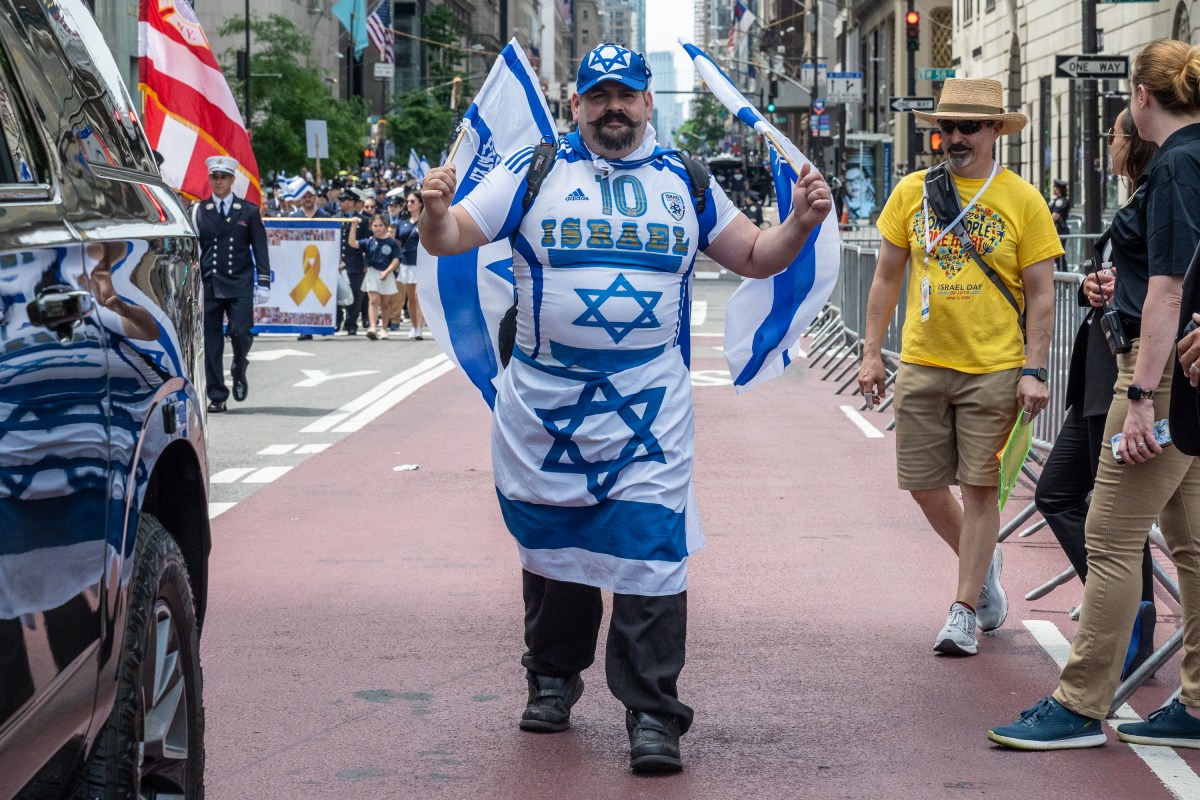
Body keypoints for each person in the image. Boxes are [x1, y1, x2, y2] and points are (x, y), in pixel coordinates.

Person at [419, 42, 831, 772]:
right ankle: (550, 680)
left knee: (650, 549)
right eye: (598, 95)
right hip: (546, 406)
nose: (613, 107)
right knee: (557, 544)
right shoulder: (531, 169)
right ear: (576, 104)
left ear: (648, 103)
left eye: (627, 95)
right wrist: (432, 213)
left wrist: (798, 223)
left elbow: (755, 254)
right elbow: (454, 236)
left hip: (649, 406)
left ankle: (653, 715)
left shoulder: (686, 179)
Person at [990, 38, 1200, 751]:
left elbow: (1170, 287)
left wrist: (1140, 392)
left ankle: (1080, 705)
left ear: (1142, 96)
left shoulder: (1175, 164)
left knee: (1110, 536)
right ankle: (1197, 703)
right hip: (1179, 363)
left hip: (1160, 371)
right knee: (1193, 544)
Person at [856, 78, 1061, 657]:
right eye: (948, 128)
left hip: (994, 367)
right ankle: (983, 560)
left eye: (970, 127)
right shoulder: (912, 193)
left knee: (979, 488)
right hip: (922, 360)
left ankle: (965, 607)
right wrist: (873, 352)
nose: (956, 138)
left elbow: (1043, 295)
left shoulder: (1023, 199)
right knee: (922, 485)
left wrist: (1034, 369)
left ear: (996, 131)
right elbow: (887, 275)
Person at [1032, 110, 1160, 684]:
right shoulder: (1137, 197)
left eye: (1113, 134)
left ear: (1133, 140)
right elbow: (1125, 282)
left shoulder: (1166, 190)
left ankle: (1131, 623)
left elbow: (1166, 290)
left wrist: (1141, 393)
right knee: (1060, 495)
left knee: (1109, 515)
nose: (1107, 144)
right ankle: (1128, 611)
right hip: (1100, 370)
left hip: (1126, 378)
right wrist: (1091, 286)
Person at [193, 155, 270, 413]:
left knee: (240, 332)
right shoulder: (198, 211)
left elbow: (260, 247)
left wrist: (264, 281)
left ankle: (239, 366)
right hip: (211, 283)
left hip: (240, 283)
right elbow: (194, 250)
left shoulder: (247, 211)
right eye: (214, 176)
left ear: (232, 180)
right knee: (212, 342)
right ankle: (216, 394)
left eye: (223, 177)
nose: (218, 181)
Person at [348, 213, 400, 340]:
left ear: (385, 226)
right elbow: (352, 243)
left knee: (385, 303)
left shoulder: (391, 242)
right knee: (373, 300)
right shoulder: (369, 241)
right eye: (375, 225)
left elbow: (396, 259)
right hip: (372, 272)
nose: (377, 228)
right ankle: (372, 327)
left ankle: (384, 328)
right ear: (371, 227)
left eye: (380, 225)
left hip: (386, 273)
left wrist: (387, 272)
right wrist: (353, 226)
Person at [336, 190, 368, 335]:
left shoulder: (364, 220)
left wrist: (367, 263)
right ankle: (337, 321)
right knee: (335, 294)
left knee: (356, 295)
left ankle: (351, 323)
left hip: (355, 263)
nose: (340, 202)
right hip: (336, 264)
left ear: (352, 202)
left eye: (344, 200)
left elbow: (367, 243)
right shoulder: (334, 218)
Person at [397, 192, 425, 339]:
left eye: (412, 201)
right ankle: (414, 326)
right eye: (407, 201)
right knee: (411, 298)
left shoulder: (426, 220)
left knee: (418, 296)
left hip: (422, 263)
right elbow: (397, 242)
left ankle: (420, 327)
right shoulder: (402, 223)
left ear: (420, 203)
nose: (409, 204)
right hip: (407, 263)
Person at [1049, 178, 1072, 268]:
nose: (1053, 189)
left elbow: (1055, 216)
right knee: (1057, 257)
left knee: (1059, 256)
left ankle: (1065, 278)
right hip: (1057, 231)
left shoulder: (1061, 201)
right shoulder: (1056, 200)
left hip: (1060, 231)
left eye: (1055, 187)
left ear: (1059, 189)